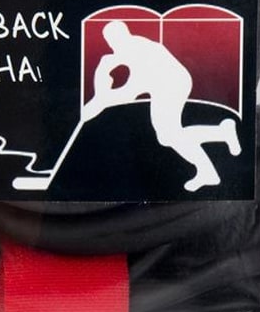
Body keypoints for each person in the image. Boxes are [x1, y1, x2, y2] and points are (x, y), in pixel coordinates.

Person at [84, 19, 240, 192]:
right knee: (167, 137)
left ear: (122, 36)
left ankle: (209, 167)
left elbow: (129, 93)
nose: (112, 46)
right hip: (162, 86)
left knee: (170, 135)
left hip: (172, 84)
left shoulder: (138, 52)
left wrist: (99, 100)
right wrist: (101, 84)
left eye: (113, 41)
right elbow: (112, 74)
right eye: (109, 42)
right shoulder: (128, 47)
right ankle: (221, 135)